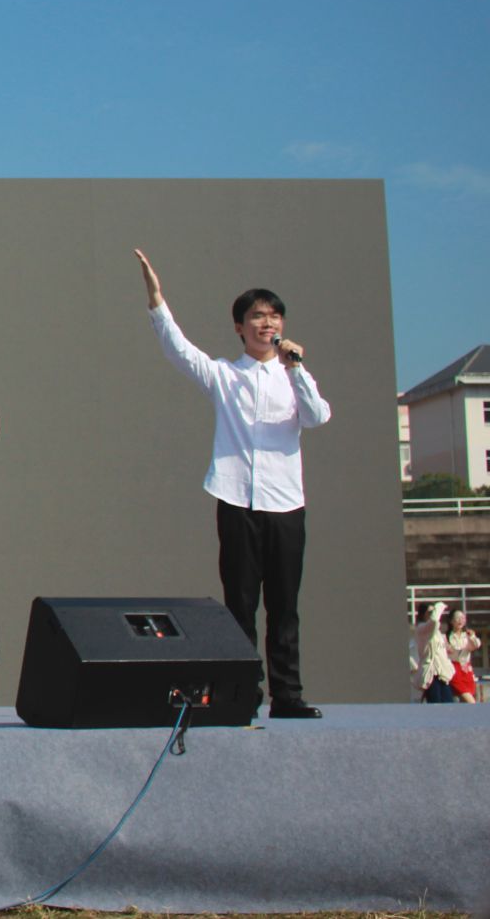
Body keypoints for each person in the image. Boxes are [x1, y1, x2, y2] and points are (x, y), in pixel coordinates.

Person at [135, 250, 331, 719]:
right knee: (240, 604)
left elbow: (318, 417)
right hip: (236, 498)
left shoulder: (293, 376)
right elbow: (179, 351)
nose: (268, 324)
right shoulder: (225, 375)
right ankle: (243, 694)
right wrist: (157, 299)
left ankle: (288, 695)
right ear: (240, 327)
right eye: (258, 317)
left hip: (285, 504)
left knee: (284, 605)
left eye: (274, 316)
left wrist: (296, 369)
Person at [413, 601, 456, 703]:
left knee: (449, 704)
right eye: (430, 612)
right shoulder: (422, 628)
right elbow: (434, 622)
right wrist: (439, 607)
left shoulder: (437, 632)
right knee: (435, 705)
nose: (433, 613)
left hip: (442, 673)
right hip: (431, 674)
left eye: (433, 611)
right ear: (423, 615)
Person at [445, 607, 479, 704]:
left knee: (466, 701)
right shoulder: (446, 637)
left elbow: (476, 645)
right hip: (454, 670)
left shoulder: (467, 636)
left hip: (466, 670)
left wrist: (472, 636)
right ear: (451, 621)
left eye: (463, 618)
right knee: (470, 701)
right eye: (457, 618)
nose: (460, 620)